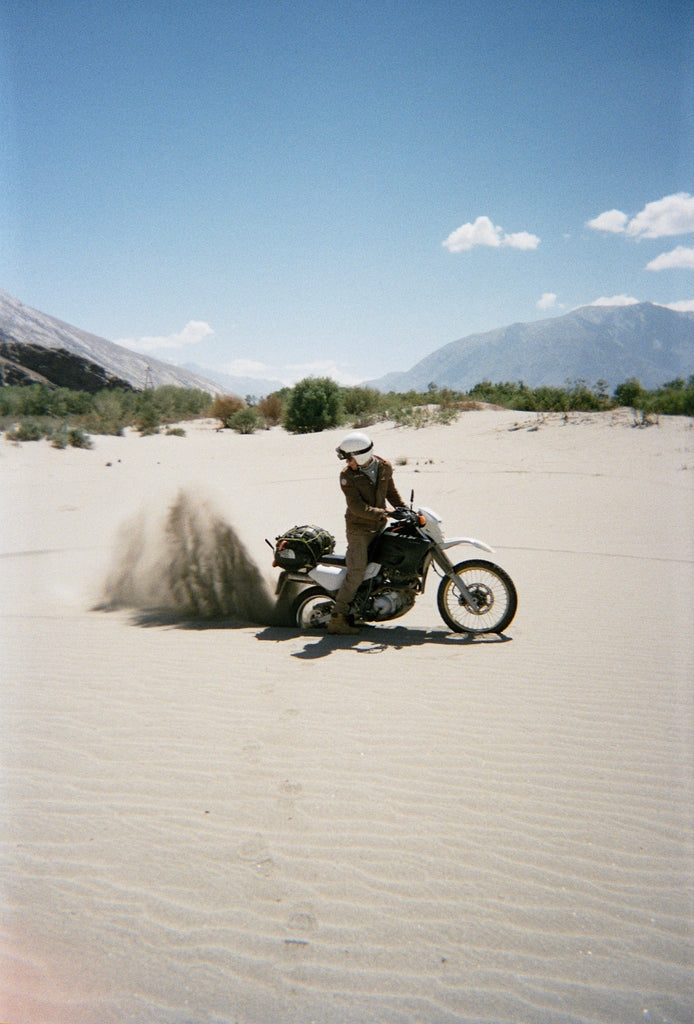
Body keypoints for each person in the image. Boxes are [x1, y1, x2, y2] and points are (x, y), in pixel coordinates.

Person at [328, 431, 406, 635]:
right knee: (357, 571)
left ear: (360, 455)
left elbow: (391, 492)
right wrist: (385, 512)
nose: (347, 462)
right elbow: (356, 508)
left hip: (379, 526)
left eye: (349, 457)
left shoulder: (384, 467)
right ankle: (338, 617)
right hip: (359, 530)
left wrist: (405, 510)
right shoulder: (347, 475)